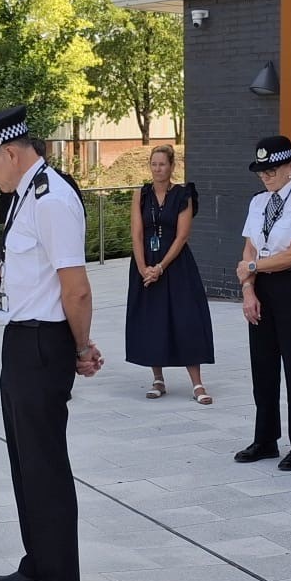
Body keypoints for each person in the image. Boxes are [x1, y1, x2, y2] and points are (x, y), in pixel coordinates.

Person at [0, 105, 102, 581]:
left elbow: (76, 287)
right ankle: (38, 563)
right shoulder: (25, 194)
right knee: (24, 463)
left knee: (46, 468)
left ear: (10, 152)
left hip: (43, 344)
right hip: (21, 339)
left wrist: (81, 347)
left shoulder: (53, 200)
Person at [235, 136, 291, 472]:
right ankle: (265, 438)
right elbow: (249, 249)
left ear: (290, 166)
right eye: (261, 171)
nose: (265, 176)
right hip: (261, 287)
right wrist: (248, 290)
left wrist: (253, 268)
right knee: (263, 366)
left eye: (271, 169)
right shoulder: (258, 202)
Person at [126, 143, 215, 403]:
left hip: (175, 264)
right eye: (153, 164)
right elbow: (137, 233)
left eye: (162, 164)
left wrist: (161, 267)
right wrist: (144, 268)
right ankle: (158, 379)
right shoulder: (140, 194)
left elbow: (182, 235)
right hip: (146, 262)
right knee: (153, 319)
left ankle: (197, 384)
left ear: (172, 166)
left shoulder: (183, 194)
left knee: (187, 319)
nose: (157, 169)